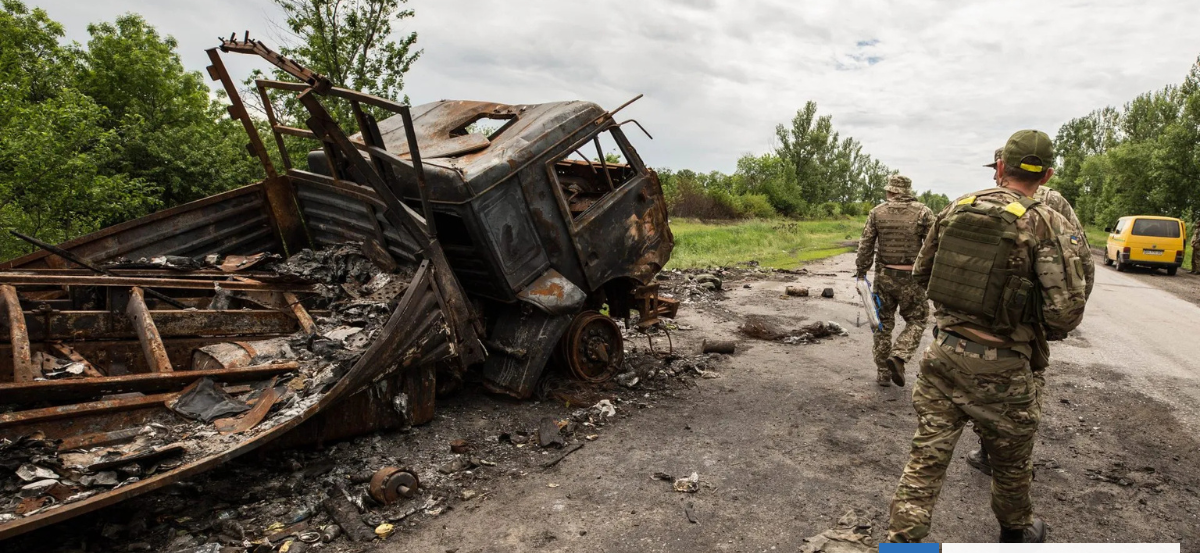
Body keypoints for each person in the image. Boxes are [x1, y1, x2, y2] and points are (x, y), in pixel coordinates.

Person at [887, 130, 1093, 543]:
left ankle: (901, 545)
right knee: (1012, 462)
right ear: (1047, 175)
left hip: (943, 356)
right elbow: (1066, 312)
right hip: (1005, 367)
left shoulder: (956, 208)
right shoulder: (1047, 222)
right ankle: (1015, 532)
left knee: (926, 458)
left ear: (1000, 168)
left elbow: (924, 276)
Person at [965, 148, 1095, 475]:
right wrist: (1061, 318)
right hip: (1030, 318)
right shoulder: (1053, 201)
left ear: (1002, 167)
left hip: (994, 317)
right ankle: (1005, 457)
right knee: (1024, 385)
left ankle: (999, 457)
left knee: (991, 384)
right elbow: (1083, 262)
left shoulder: (985, 201)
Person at [854, 175, 936, 387]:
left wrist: (861, 272)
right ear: (907, 191)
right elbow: (934, 246)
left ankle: (883, 372)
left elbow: (865, 245)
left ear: (891, 191)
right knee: (917, 320)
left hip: (884, 277)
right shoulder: (924, 212)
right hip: (913, 279)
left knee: (882, 325)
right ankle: (900, 354)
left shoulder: (877, 212)